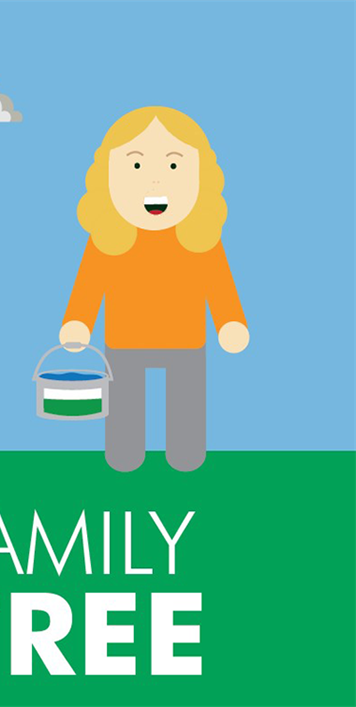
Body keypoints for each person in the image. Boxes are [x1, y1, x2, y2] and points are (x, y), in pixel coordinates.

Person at [61, 106, 248, 472]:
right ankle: (124, 451)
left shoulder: (202, 240)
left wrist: (230, 322)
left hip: (186, 338)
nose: (155, 183)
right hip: (125, 338)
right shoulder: (107, 240)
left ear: (201, 177)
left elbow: (220, 283)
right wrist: (78, 322)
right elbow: (89, 283)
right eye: (135, 167)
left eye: (174, 166)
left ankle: (187, 452)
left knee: (186, 407)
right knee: (126, 409)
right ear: (108, 178)